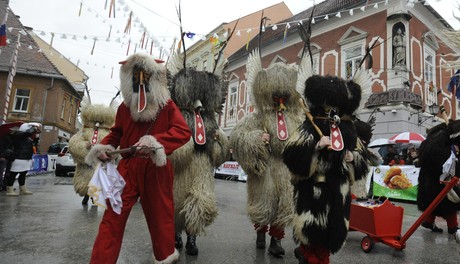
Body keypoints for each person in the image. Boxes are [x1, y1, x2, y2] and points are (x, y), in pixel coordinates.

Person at [85, 53, 191, 264]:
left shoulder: (167, 106)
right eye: (135, 76)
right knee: (111, 218)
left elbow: (182, 131)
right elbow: (116, 133)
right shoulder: (125, 108)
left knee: (161, 219)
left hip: (156, 169)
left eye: (144, 76)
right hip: (127, 168)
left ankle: (165, 257)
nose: (140, 81)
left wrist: (155, 142)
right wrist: (105, 147)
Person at [282, 72, 371, 264]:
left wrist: (352, 157)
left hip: (339, 192)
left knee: (332, 234)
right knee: (312, 233)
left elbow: (363, 162)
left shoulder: (348, 130)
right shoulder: (309, 126)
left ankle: (310, 256)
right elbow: (290, 154)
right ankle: (308, 256)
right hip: (314, 190)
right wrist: (315, 147)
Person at [229, 49, 304, 258]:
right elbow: (237, 136)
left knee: (284, 205)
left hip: (285, 170)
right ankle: (261, 233)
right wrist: (254, 139)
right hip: (265, 170)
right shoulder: (257, 116)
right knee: (264, 205)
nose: (280, 99)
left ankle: (276, 240)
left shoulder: (295, 118)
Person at [167, 50, 230, 255]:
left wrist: (219, 143)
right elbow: (170, 146)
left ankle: (192, 238)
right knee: (178, 202)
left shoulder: (209, 119)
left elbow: (218, 158)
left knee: (200, 201)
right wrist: (183, 147)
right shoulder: (175, 115)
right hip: (182, 167)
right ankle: (176, 233)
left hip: (202, 165)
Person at [417, 107, 460, 235]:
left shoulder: (435, 135)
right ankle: (452, 227)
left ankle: (429, 221)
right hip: (440, 171)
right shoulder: (445, 138)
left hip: (429, 174)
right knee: (449, 196)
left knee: (433, 196)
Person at [68, 92, 117, 205]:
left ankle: (94, 198)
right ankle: (86, 196)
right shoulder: (84, 131)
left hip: (101, 165)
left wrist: (106, 151)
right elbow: (74, 144)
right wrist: (84, 147)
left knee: (99, 182)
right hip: (86, 165)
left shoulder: (108, 133)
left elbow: (115, 146)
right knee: (86, 181)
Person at [5, 122, 41, 196]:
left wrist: (37, 137)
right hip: (18, 158)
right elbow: (26, 133)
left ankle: (22, 189)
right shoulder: (18, 135)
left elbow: (34, 144)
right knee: (13, 174)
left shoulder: (27, 138)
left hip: (26, 158)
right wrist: (34, 128)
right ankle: (9, 189)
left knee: (23, 174)